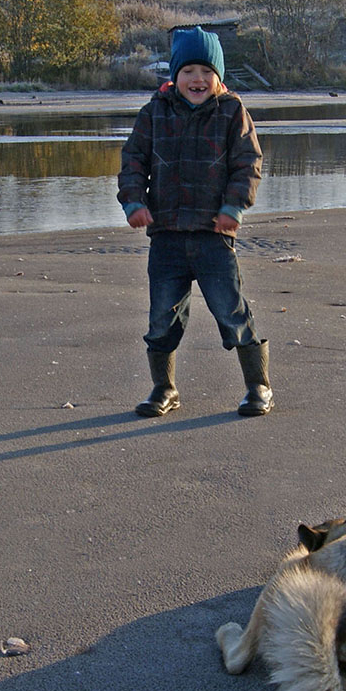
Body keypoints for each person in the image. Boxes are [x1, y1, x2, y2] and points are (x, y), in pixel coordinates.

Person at [117, 25, 272, 417]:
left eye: (206, 71)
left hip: (213, 236)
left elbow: (248, 166)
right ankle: (164, 388)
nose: (197, 79)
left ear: (218, 76)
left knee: (231, 311)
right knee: (160, 318)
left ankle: (259, 387)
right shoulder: (154, 113)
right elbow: (132, 163)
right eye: (188, 71)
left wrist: (233, 209)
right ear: (175, 75)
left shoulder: (232, 112)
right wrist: (133, 202)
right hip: (166, 236)